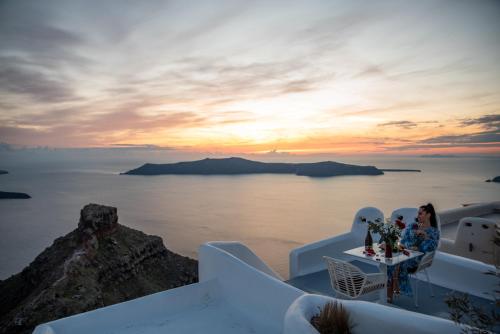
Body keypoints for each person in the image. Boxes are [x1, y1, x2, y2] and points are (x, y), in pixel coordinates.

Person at [387, 203, 440, 303]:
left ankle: (391, 293)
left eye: (420, 213)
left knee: (396, 263)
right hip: (405, 252)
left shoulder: (434, 231)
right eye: (418, 213)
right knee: (391, 261)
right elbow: (403, 241)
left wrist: (425, 236)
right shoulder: (413, 226)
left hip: (417, 259)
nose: (417, 216)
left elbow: (430, 248)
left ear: (428, 215)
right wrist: (408, 246)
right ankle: (392, 290)